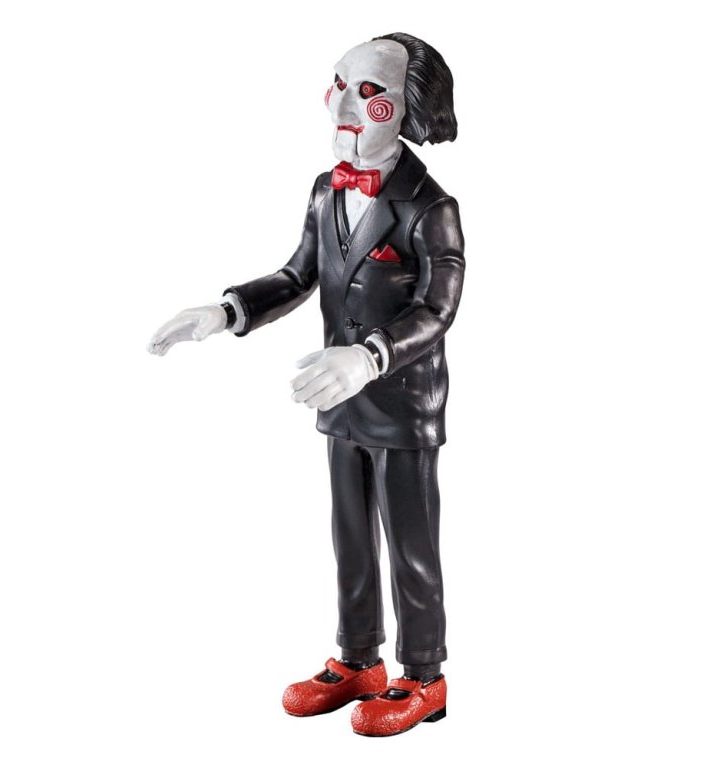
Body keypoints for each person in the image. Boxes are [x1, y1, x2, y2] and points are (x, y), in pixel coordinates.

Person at [148, 33, 464, 737]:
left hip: (402, 406)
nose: (344, 105)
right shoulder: (326, 190)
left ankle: (425, 677)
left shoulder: (430, 206)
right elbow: (298, 275)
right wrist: (227, 311)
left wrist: (371, 357)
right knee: (349, 536)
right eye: (340, 83)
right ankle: (358, 660)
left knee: (410, 547)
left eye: (370, 93)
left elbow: (437, 310)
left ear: (409, 112)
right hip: (338, 402)